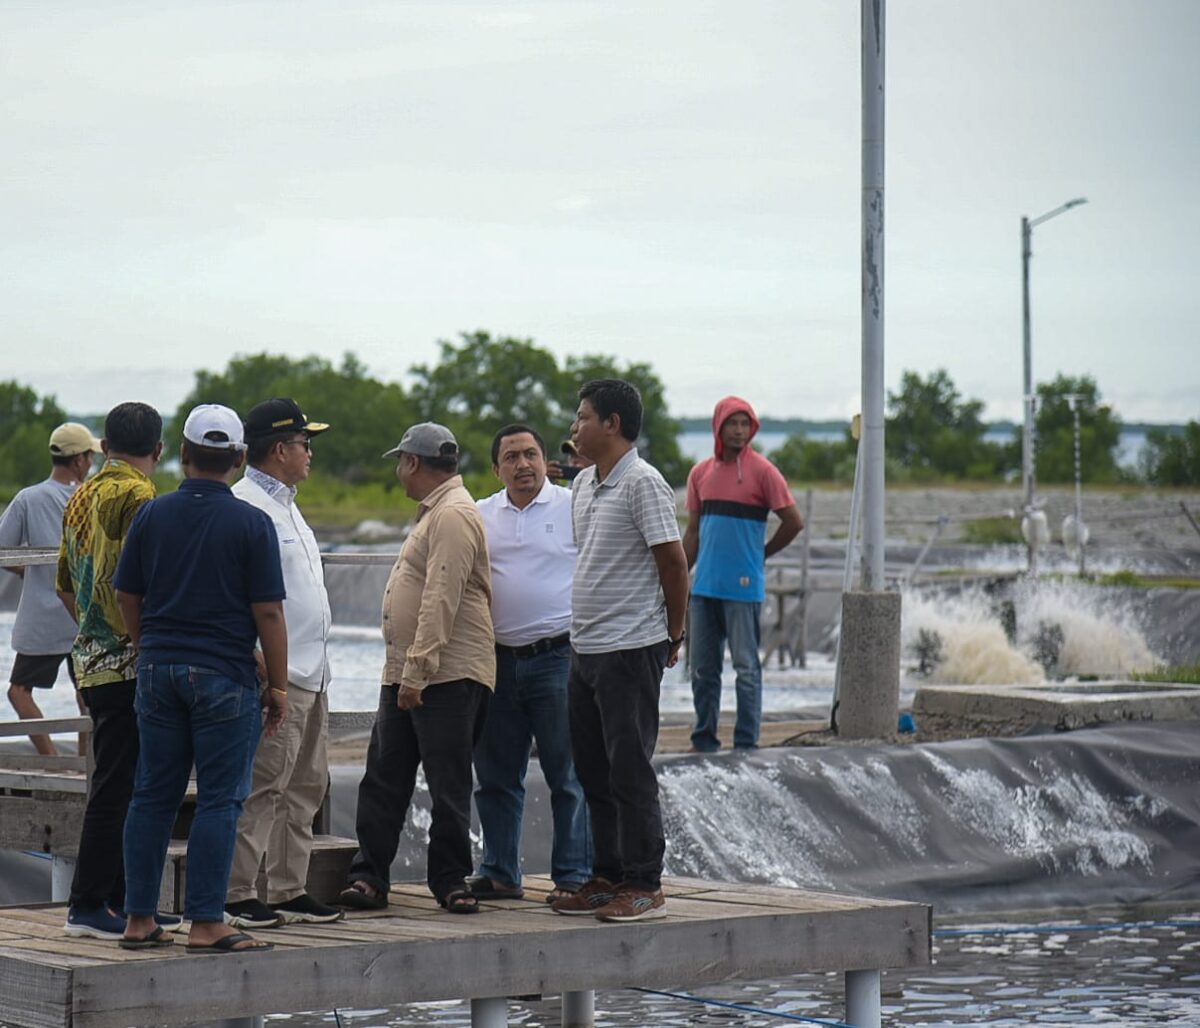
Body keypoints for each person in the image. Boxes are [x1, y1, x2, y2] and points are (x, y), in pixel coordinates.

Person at [114, 404, 288, 953]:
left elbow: (127, 595)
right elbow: (268, 614)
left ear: (184, 455)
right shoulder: (252, 522)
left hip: (159, 670)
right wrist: (279, 686)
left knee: (151, 795)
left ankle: (139, 919)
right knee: (219, 799)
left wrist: (150, 649)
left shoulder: (152, 515)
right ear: (238, 459)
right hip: (225, 675)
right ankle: (207, 921)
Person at [338, 423, 495, 915]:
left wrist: (418, 671)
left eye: (399, 462)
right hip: (409, 669)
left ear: (411, 463)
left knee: (447, 783)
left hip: (441, 674)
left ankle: (450, 880)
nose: (398, 471)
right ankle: (369, 876)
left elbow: (440, 596)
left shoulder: (451, 514)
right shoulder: (437, 512)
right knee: (384, 776)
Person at [552, 379, 689, 923]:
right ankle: (605, 876)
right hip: (585, 647)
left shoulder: (644, 482)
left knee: (629, 768)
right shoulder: (585, 483)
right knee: (593, 770)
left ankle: (644, 883)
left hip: (631, 648)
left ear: (612, 424)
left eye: (583, 416)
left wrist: (671, 636)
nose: (574, 426)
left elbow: (673, 564)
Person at [56, 403, 182, 940]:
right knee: (121, 787)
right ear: (158, 450)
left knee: (121, 781)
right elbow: (149, 583)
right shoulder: (142, 497)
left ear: (104, 445)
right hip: (132, 661)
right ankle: (90, 904)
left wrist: (94, 631)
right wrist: (135, 640)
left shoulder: (80, 493)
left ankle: (129, 905)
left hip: (90, 658)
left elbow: (64, 583)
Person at [224, 398, 342, 929]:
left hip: (312, 673)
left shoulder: (286, 503)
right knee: (263, 785)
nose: (309, 453)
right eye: (303, 443)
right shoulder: (246, 505)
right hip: (279, 675)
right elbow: (238, 595)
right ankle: (239, 891)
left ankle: (290, 888)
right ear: (279, 450)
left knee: (306, 786)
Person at [469, 424, 590, 904]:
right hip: (495, 660)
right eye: (512, 457)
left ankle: (574, 875)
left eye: (531, 454)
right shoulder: (480, 515)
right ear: (497, 468)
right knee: (496, 774)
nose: (523, 465)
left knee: (568, 773)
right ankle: (499, 870)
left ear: (545, 460)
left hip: (557, 656)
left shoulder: (573, 506)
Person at [683, 397, 803, 753]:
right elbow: (693, 532)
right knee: (703, 671)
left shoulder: (764, 471)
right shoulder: (700, 473)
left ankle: (746, 742)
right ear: (718, 427)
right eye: (732, 423)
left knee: (747, 669)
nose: (738, 430)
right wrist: (677, 578)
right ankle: (704, 739)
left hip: (744, 588)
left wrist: (762, 553)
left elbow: (794, 522)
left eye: (745, 424)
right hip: (704, 588)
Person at [1, 423, 98, 756]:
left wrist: (35, 574)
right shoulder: (92, 497)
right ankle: (85, 764)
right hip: (83, 616)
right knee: (87, 692)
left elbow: (3, 550)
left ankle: (50, 757)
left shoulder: (29, 498)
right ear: (79, 461)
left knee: (19, 690)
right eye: (89, 457)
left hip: (42, 617)